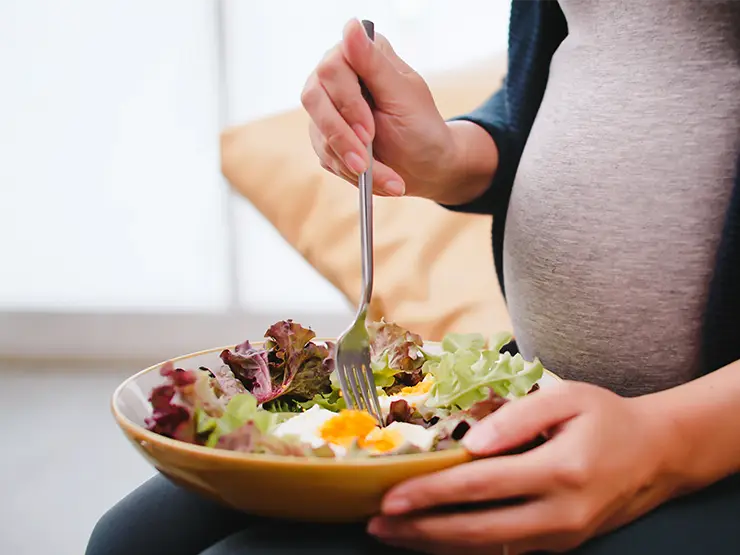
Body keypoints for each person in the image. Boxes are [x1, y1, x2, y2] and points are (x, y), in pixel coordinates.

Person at [87, 2, 740, 554]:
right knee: (130, 540)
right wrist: (447, 154)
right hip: (541, 389)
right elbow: (574, 66)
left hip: (705, 436)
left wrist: (662, 445)